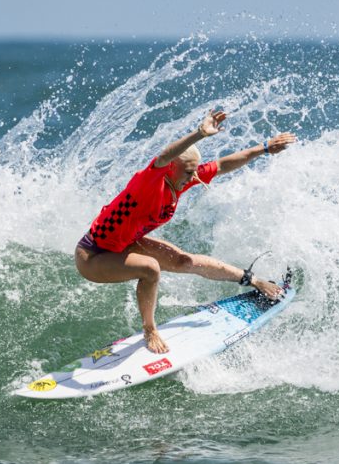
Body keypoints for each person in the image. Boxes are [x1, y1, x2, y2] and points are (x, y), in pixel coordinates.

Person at [75, 109, 297, 353]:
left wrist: (264, 148)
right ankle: (150, 330)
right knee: (150, 268)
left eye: (195, 171)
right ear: (170, 168)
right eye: (189, 172)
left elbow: (222, 164)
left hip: (124, 242)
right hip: (93, 254)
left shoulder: (181, 179)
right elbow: (162, 156)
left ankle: (253, 280)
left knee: (183, 260)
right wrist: (199, 134)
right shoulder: (147, 182)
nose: (195, 177)